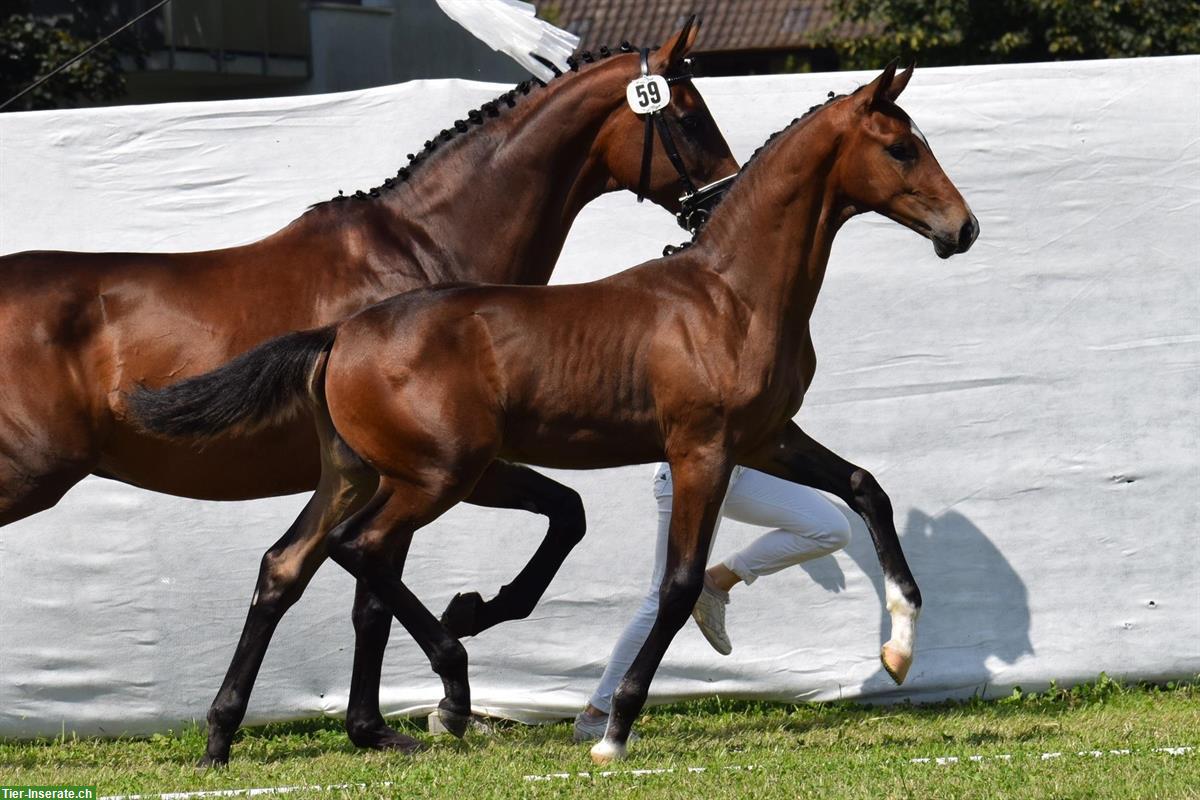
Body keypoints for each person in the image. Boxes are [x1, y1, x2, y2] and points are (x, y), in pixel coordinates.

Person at [573, 463, 852, 741]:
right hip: (690, 472)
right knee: (664, 596)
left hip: (739, 468)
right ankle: (597, 714)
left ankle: (717, 582)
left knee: (830, 528)